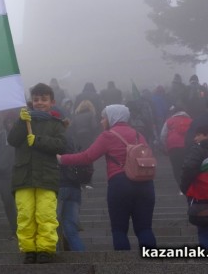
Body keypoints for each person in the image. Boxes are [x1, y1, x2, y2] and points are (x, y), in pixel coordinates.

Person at [58, 104, 157, 251]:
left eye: (103, 118)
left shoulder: (108, 136)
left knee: (119, 230)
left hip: (120, 184)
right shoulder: (138, 135)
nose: (101, 121)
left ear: (112, 118)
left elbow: (87, 156)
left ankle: (124, 266)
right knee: (144, 229)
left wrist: (62, 159)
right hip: (145, 184)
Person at [8, 82, 67, 264]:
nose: (39, 102)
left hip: (47, 177)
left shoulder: (56, 124)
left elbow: (62, 145)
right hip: (23, 177)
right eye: (36, 99)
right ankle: (29, 249)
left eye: (44, 99)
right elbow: (12, 140)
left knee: (46, 214)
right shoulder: (24, 120)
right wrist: (20, 121)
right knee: (25, 214)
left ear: (52, 102)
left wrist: (38, 140)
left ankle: (45, 249)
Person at [0, 111, 18, 239]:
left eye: (12, 122)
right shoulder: (0, 136)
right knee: (8, 202)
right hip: (4, 176)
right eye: (8, 122)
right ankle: (14, 228)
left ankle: (22, 229)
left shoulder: (22, 136)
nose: (10, 124)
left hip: (19, 173)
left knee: (21, 203)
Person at [159, 105, 192, 192]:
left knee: (176, 167)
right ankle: (188, 185)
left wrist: (165, 147)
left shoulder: (169, 120)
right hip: (188, 147)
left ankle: (181, 187)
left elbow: (163, 135)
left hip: (173, 147)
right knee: (187, 166)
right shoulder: (190, 120)